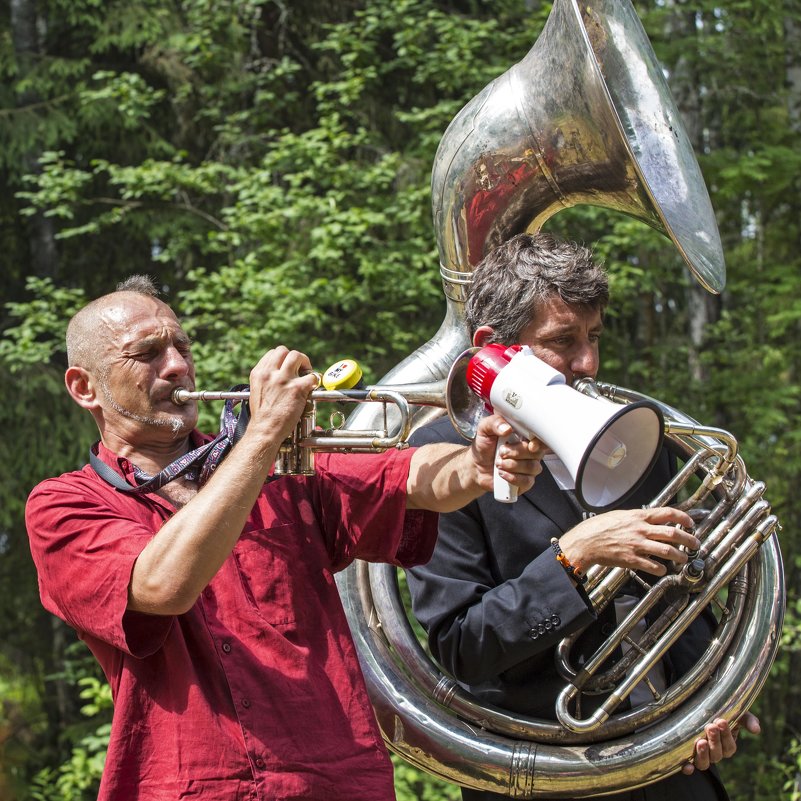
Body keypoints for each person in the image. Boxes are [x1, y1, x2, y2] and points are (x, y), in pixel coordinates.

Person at [24, 275, 543, 801]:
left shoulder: (270, 464)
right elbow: (164, 586)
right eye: (148, 353)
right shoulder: (64, 504)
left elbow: (407, 477)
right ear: (85, 388)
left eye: (182, 346)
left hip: (337, 781)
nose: (178, 365)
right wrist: (264, 434)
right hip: (191, 785)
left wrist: (477, 462)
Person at [406, 232, 760, 801]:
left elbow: (687, 589)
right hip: (545, 777)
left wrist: (711, 702)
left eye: (594, 336)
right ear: (494, 346)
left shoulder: (634, 429)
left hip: (672, 772)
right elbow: (460, 647)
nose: (588, 362)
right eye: (562, 340)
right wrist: (575, 557)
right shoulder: (442, 465)